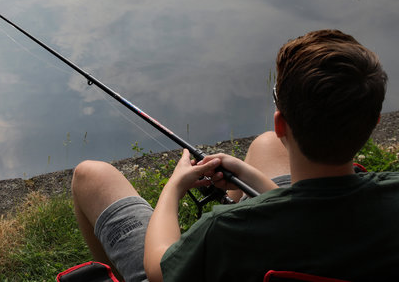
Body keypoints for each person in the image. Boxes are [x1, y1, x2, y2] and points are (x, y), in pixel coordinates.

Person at [71, 29, 398, 282]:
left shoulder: (225, 231)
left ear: (281, 122)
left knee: (91, 175)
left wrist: (174, 188)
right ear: (373, 125)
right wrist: (248, 175)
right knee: (263, 146)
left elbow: (160, 268)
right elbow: (313, 218)